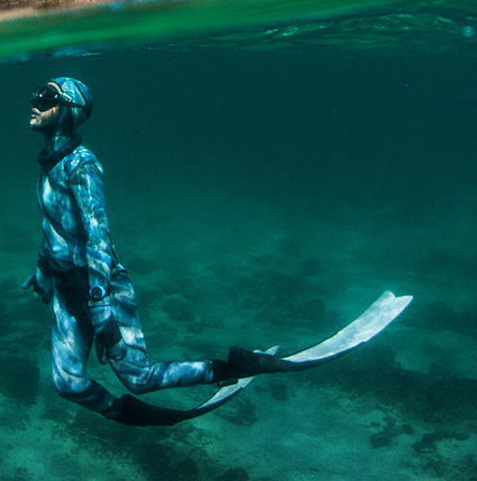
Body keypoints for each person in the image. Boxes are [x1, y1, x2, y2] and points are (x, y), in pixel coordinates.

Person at [23, 77, 287, 426]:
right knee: (67, 382)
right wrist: (43, 270)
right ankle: (124, 412)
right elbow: (54, 225)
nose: (35, 102)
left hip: (100, 288)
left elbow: (97, 235)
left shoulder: (81, 167)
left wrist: (101, 306)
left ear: (70, 110)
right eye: (38, 94)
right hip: (67, 291)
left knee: (138, 379)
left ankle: (232, 366)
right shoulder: (50, 164)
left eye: (47, 97)